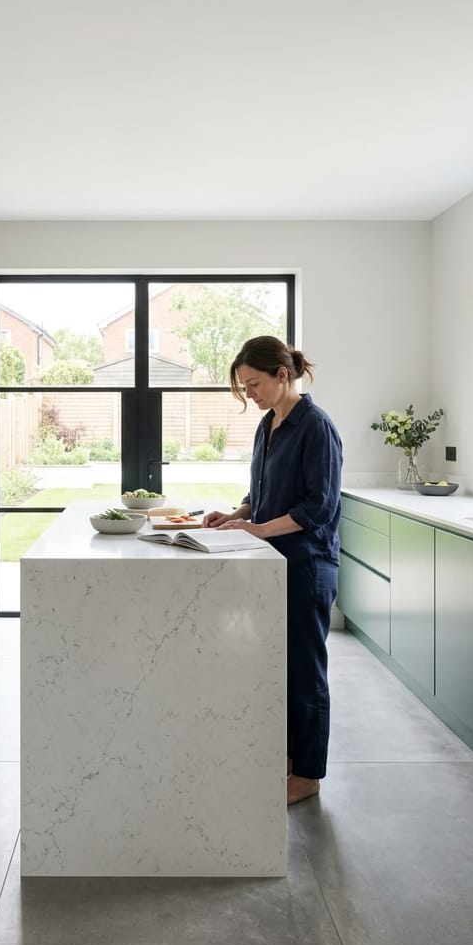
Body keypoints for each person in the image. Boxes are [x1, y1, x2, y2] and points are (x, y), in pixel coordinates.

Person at [203, 336, 342, 805]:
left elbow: (318, 508)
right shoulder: (268, 426)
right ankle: (284, 758)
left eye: (255, 383)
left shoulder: (316, 427)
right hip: (273, 564)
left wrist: (257, 529)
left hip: (308, 565)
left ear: (282, 374)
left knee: (305, 670)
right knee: (276, 666)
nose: (251, 394)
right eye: (245, 386)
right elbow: (259, 493)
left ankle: (307, 774)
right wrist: (236, 514)